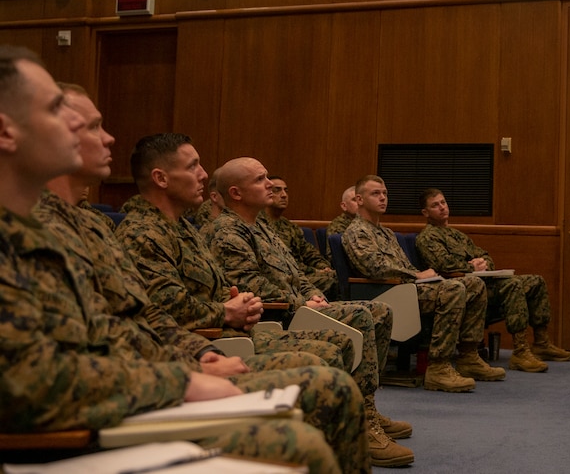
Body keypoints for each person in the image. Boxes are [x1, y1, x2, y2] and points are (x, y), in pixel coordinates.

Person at [0, 46, 343, 473]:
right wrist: (180, 380)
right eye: (57, 111)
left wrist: (195, 357)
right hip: (66, 436)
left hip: (129, 386)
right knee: (300, 438)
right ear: (6, 133)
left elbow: (127, 322)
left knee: (310, 408)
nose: (100, 135)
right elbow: (32, 383)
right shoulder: (34, 232)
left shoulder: (51, 227)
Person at [117, 134, 372, 409]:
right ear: (161, 178)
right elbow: (167, 307)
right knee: (323, 359)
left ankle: (361, 421)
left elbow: (221, 287)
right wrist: (227, 311)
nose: (203, 175)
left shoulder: (183, 228)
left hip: (234, 333)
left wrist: (243, 305)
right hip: (202, 344)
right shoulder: (143, 233)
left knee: (339, 344)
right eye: (193, 166)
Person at [208, 157, 414, 468]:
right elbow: (247, 282)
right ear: (236, 193)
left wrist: (311, 294)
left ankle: (365, 408)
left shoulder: (261, 225)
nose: (270, 186)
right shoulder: (226, 230)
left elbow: (295, 271)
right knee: (361, 315)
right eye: (261, 180)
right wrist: (299, 303)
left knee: (380, 311)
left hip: (297, 306)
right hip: (274, 317)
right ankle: (361, 424)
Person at [342, 175, 504, 392]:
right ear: (360, 200)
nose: (383, 198)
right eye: (375, 194)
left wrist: (417, 276)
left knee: (474, 284)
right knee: (453, 289)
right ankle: (438, 367)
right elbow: (373, 267)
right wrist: (415, 275)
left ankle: (468, 356)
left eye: (385, 193)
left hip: (404, 289)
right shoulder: (356, 231)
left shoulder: (386, 232)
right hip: (384, 294)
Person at [415, 187, 570, 372]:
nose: (442, 207)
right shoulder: (426, 238)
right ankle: (521, 351)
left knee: (535, 281)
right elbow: (443, 265)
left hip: (484, 281)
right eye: (435, 205)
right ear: (425, 212)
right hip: (466, 288)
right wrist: (471, 267)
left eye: (443, 202)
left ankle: (541, 342)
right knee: (512, 285)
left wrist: (484, 263)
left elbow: (484, 254)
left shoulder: (457, 235)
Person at [261, 174, 339, 300]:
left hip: (303, 275)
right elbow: (284, 262)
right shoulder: (260, 225)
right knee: (333, 281)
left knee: (335, 275)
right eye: (277, 190)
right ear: (266, 194)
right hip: (285, 277)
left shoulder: (289, 226)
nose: (284, 195)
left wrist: (323, 266)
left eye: (286, 190)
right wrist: (315, 271)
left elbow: (308, 252)